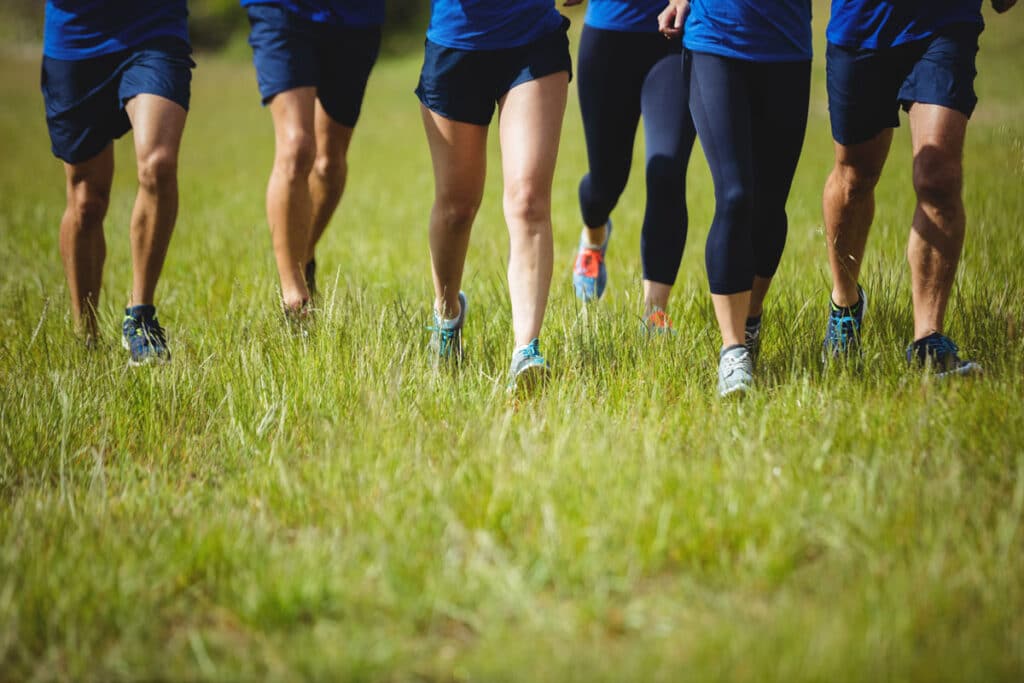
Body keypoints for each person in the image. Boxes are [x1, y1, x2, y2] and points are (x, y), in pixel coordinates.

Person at [821, 0, 1017, 374]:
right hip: (863, 23)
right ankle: (845, 305)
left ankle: (928, 339)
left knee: (937, 177)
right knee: (854, 178)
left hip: (944, 20)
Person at [417, 0, 572, 391]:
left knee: (528, 200)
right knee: (457, 208)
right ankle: (447, 315)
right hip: (457, 41)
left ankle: (526, 349)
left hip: (532, 38)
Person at [660, 0, 812, 396]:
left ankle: (751, 317)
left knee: (769, 204)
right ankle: (733, 350)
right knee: (735, 195)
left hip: (787, 47)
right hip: (716, 37)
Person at [41, 0, 194, 364]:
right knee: (86, 202)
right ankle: (87, 335)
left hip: (153, 27)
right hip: (76, 37)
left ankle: (140, 315)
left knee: (158, 164)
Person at [242, 0, 385, 314]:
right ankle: (294, 298)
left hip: (355, 17)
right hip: (282, 10)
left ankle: (302, 257)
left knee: (328, 162)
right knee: (296, 147)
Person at [570, 0, 696, 335]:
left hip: (676, 36)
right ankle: (594, 237)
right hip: (609, 34)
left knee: (666, 171)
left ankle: (655, 314)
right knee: (605, 182)